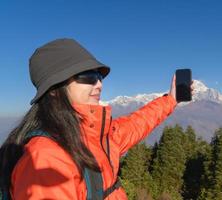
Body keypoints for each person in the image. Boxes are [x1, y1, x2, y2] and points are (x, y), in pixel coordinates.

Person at [0, 38, 192, 199]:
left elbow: (137, 124)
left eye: (99, 76)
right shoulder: (46, 159)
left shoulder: (96, 135)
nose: (99, 84)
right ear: (53, 90)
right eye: (87, 76)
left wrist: (171, 100)